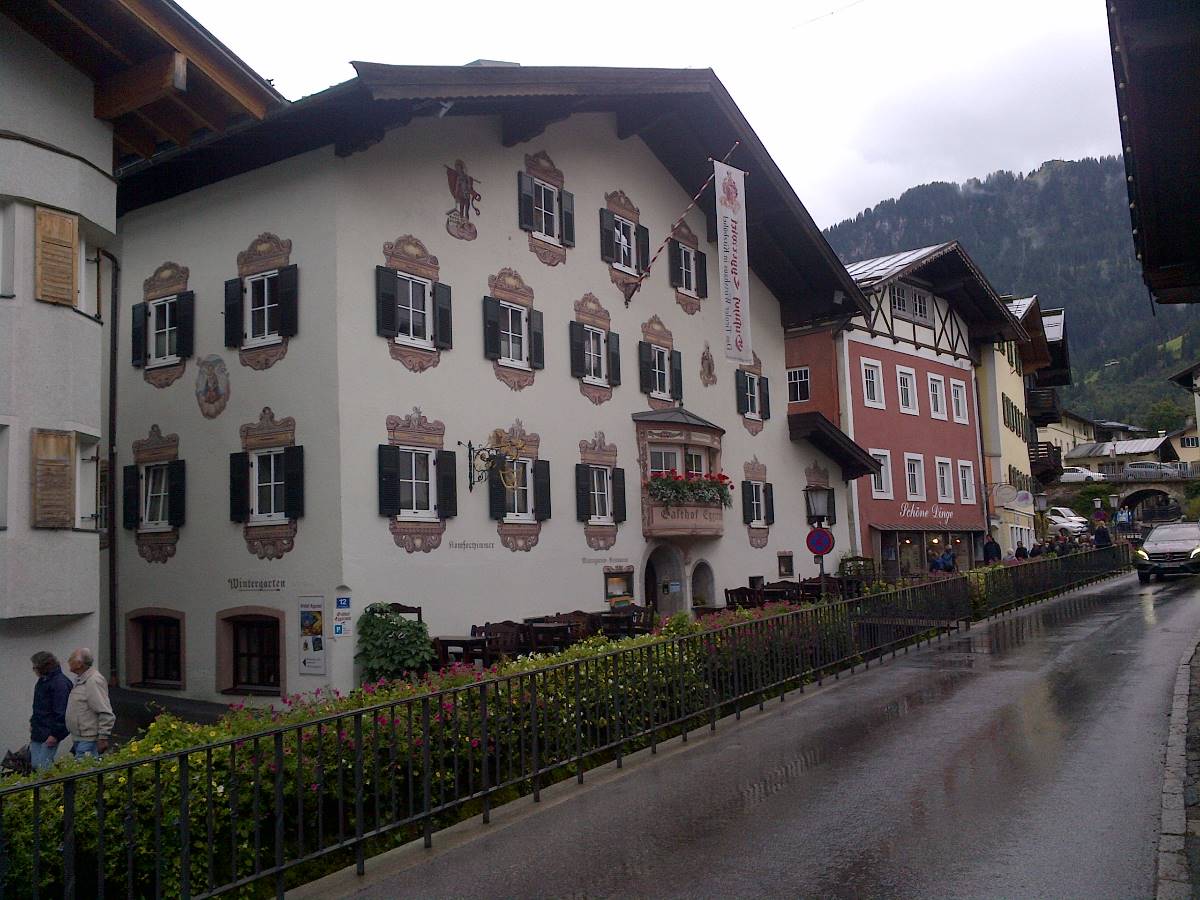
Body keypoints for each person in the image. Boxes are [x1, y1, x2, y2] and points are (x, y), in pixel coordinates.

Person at [65, 648, 115, 759]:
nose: (69, 661)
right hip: (80, 737)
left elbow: (104, 710)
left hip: (89, 738)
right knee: (82, 767)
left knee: (85, 768)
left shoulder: (93, 680)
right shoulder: (81, 679)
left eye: (71, 658)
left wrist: (103, 737)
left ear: (79, 664)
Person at [29, 651, 72, 771]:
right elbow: (39, 706)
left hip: (49, 732)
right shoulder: (44, 681)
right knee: (37, 764)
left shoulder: (59, 684)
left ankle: (50, 782)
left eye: (35, 667)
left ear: (43, 667)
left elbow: (61, 711)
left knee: (42, 766)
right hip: (40, 729)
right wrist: (33, 723)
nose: (33, 670)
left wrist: (55, 734)